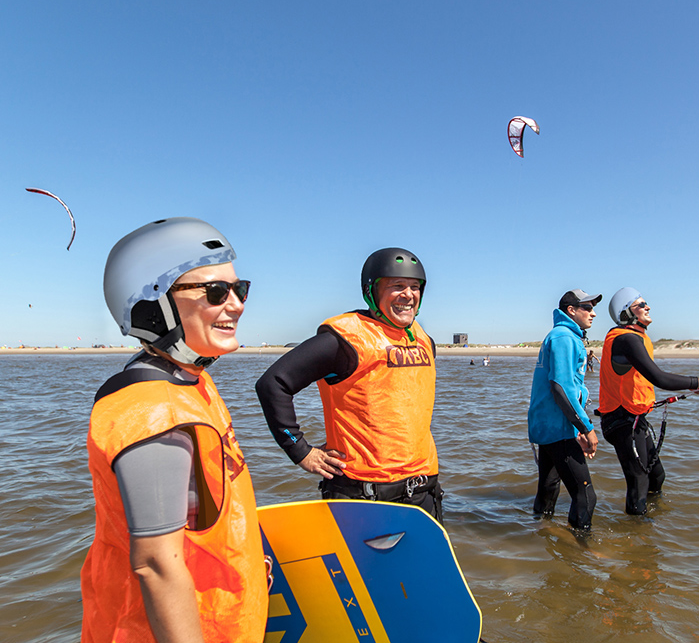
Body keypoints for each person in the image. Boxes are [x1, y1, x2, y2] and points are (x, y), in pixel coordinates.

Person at [82, 218, 267, 643]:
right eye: (215, 292)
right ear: (155, 305)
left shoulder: (188, 381)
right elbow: (157, 565)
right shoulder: (152, 410)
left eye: (240, 290)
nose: (236, 305)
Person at [255, 247, 442, 520]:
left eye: (415, 287)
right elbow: (273, 383)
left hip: (423, 492)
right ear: (372, 291)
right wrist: (301, 451)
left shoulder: (423, 339)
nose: (408, 295)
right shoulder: (344, 340)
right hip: (364, 496)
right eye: (397, 286)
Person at [597, 287, 699, 516]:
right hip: (621, 421)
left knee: (657, 476)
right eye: (641, 304)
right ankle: (638, 540)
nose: (648, 307)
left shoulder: (635, 338)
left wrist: (694, 385)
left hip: (634, 419)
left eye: (646, 303)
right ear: (627, 313)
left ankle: (651, 522)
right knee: (639, 482)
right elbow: (659, 378)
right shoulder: (625, 339)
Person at [527, 289, 602, 530]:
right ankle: (580, 555)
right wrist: (585, 427)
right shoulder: (564, 338)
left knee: (548, 489)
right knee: (586, 496)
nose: (594, 313)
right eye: (588, 307)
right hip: (558, 428)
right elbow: (561, 388)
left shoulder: (562, 335)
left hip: (551, 427)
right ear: (571, 310)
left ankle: (541, 538)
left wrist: (575, 425)